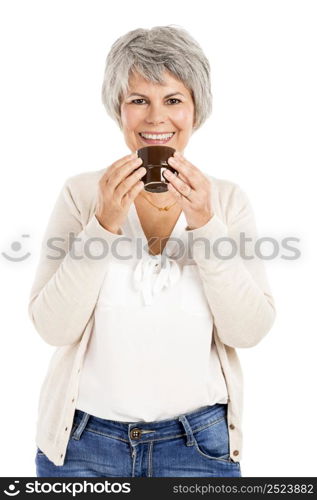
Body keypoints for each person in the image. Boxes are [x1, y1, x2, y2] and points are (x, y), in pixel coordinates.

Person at [29, 25, 276, 478]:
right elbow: (52, 325)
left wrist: (205, 223)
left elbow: (249, 330)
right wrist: (102, 224)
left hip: (197, 448)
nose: (155, 118)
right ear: (118, 110)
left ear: (196, 110)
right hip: (83, 447)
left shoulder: (225, 200)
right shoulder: (82, 195)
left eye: (173, 100)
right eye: (138, 100)